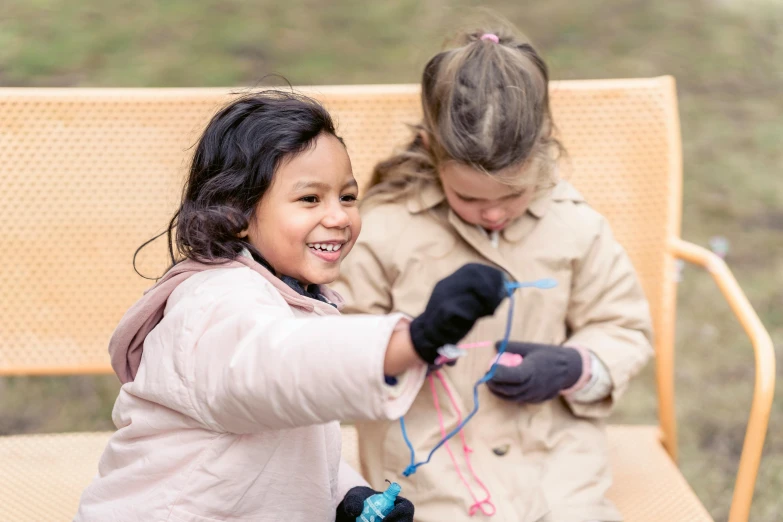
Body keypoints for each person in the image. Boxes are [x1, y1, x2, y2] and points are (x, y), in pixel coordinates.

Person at [74, 90, 507, 521]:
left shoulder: (290, 296)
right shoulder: (213, 304)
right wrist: (413, 341)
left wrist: (347, 496)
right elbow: (283, 366)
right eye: (310, 199)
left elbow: (292, 438)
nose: (338, 216)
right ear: (236, 215)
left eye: (348, 197)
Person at [333, 29, 653, 522]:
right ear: (429, 147)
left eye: (513, 196)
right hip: (425, 474)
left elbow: (623, 326)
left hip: (556, 474)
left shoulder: (577, 227)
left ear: (543, 147)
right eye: (471, 199)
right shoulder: (384, 230)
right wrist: (411, 346)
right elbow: (336, 352)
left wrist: (576, 366)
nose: (494, 215)